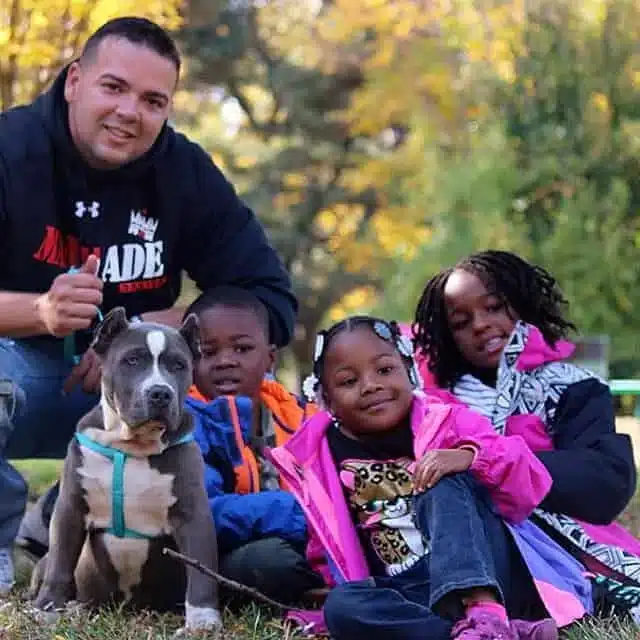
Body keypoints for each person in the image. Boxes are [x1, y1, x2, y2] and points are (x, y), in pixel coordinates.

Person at [0, 16, 296, 594]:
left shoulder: (184, 173)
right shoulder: (10, 151)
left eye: (153, 100)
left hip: (148, 391)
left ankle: (175, 541)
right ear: (74, 80)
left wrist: (141, 335)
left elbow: (269, 298)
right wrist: (40, 313)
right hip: (22, 376)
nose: (130, 112)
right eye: (114, 88)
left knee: (229, 373)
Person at [268, 316, 593, 639]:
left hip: (490, 573)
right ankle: (477, 635)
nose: (370, 386)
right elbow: (325, 538)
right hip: (414, 589)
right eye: (349, 381)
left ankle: (486, 615)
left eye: (384, 370)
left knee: (442, 478)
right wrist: (331, 588)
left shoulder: (446, 419)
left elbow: (527, 475)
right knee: (343, 607)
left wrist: (468, 457)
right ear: (326, 399)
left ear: (409, 371)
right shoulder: (318, 458)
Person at [412, 249, 640, 620]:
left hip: (560, 554)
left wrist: (486, 463)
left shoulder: (572, 387)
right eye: (461, 321)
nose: (481, 325)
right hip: (471, 554)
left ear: (523, 303)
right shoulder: (435, 405)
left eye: (494, 307)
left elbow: (607, 482)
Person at [184, 286, 323, 603]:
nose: (225, 361)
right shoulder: (185, 422)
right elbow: (200, 512)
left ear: (270, 358)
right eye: (208, 352)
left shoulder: (300, 417)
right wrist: (299, 513)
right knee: (271, 563)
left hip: (299, 533)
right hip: (213, 552)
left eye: (242, 349)